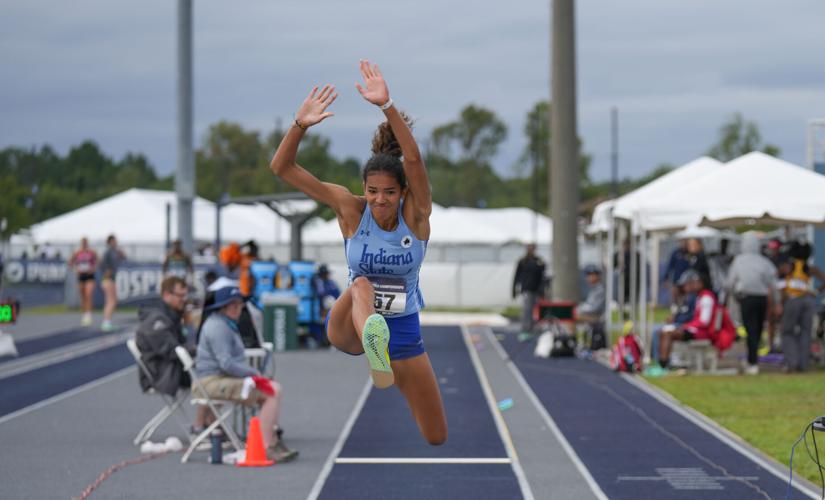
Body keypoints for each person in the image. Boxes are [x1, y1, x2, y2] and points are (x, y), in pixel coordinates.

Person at [269, 60, 447, 446]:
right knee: (363, 283)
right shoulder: (351, 210)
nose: (379, 201)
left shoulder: (415, 218)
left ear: (403, 193)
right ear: (363, 190)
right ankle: (372, 339)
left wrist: (387, 105)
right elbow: (282, 168)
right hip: (350, 322)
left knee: (435, 435)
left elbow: (413, 161)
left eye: (388, 193)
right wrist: (299, 125)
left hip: (402, 327)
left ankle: (382, 350)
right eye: (372, 191)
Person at [195, 284, 297, 461]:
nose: (238, 307)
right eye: (232, 304)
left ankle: (270, 439)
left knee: (272, 389)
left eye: (239, 304)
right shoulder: (218, 327)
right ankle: (266, 445)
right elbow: (226, 363)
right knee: (272, 392)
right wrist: (255, 374)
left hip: (216, 379)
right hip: (211, 382)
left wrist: (254, 375)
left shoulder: (223, 323)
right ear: (222, 307)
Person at [726, 233, 779, 375]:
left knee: (751, 330)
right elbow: (773, 284)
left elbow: (730, 283)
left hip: (747, 299)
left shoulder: (739, 261)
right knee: (758, 329)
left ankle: (752, 361)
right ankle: (753, 359)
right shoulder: (764, 261)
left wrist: (733, 297)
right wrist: (776, 302)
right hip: (761, 299)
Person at [652, 270, 716, 374]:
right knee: (663, 333)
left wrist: (686, 325)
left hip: (700, 332)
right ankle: (662, 362)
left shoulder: (706, 298)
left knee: (668, 334)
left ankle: (663, 365)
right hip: (695, 329)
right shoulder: (699, 297)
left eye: (695, 283)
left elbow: (704, 322)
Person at [777, 241, 825, 372]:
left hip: (792, 300)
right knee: (806, 332)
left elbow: (777, 281)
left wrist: (782, 299)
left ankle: (792, 363)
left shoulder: (787, 267)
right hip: (808, 300)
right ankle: (803, 365)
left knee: (787, 332)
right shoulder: (809, 268)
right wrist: (816, 292)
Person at [512, 243, 547, 335]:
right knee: (527, 309)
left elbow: (542, 275)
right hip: (527, 289)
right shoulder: (523, 261)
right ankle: (525, 328)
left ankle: (532, 327)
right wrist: (514, 290)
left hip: (536, 289)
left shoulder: (538, 261)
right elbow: (517, 276)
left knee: (535, 309)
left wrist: (542, 290)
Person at [99, 234, 126, 332]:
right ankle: (106, 322)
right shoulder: (108, 252)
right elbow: (101, 264)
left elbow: (124, 258)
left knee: (111, 301)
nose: (116, 242)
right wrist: (106, 271)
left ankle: (107, 321)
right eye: (114, 241)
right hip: (108, 279)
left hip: (112, 279)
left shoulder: (115, 252)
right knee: (111, 301)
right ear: (110, 241)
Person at [68, 237, 98, 326]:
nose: (84, 244)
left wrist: (93, 268)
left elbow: (98, 261)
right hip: (81, 276)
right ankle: (84, 314)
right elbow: (70, 262)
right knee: (83, 295)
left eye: (86, 242)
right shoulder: (77, 252)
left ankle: (88, 314)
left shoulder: (92, 252)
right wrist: (75, 269)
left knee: (88, 294)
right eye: (83, 242)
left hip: (89, 276)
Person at [310, 264, 341, 347]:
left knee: (332, 324)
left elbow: (338, 295)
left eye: (325, 273)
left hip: (332, 307)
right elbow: (320, 295)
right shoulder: (319, 283)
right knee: (320, 324)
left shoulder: (331, 283)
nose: (325, 275)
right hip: (321, 308)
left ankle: (332, 341)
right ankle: (321, 340)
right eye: (322, 274)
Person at [577, 265, 606, 350]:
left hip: (597, 316)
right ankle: (580, 341)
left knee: (573, 316)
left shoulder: (599, 289)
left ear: (596, 276)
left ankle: (576, 342)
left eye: (590, 275)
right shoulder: (594, 289)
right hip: (593, 314)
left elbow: (594, 308)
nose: (588, 277)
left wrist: (579, 309)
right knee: (572, 315)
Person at [663, 239, 690, 306]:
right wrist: (666, 278)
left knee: (686, 299)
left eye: (685, 242)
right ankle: (675, 312)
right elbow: (670, 267)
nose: (684, 243)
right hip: (677, 281)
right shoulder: (675, 253)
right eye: (682, 242)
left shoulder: (690, 253)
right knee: (676, 298)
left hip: (688, 282)